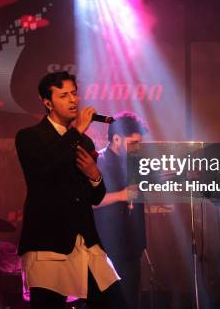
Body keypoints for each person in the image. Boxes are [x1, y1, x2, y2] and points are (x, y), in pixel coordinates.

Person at [15, 71, 126, 309]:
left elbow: (95, 197)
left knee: (115, 301)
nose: (73, 100)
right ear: (47, 102)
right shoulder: (29, 137)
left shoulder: (84, 143)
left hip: (85, 240)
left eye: (74, 93)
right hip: (48, 242)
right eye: (63, 95)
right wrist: (76, 132)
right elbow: (42, 170)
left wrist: (95, 175)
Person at [94, 112, 148, 309]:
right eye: (133, 143)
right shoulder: (99, 161)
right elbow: (88, 201)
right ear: (116, 139)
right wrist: (121, 195)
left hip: (132, 245)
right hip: (107, 247)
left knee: (131, 300)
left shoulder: (135, 163)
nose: (137, 148)